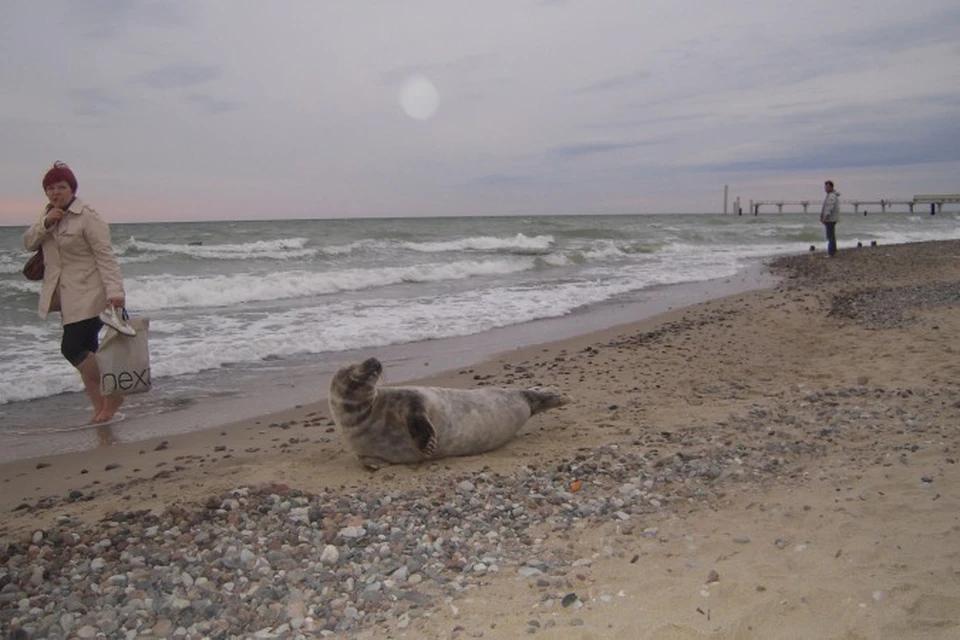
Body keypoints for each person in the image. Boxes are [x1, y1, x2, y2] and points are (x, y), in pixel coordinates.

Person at [22, 161, 129, 424]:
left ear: (72, 188)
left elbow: (106, 256)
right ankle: (101, 411)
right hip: (66, 297)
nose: (56, 192)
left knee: (71, 348)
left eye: (61, 186)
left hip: (92, 293)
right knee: (88, 348)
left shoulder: (88, 217)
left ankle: (115, 391)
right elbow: (28, 243)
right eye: (50, 188)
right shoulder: (48, 217)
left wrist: (116, 292)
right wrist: (46, 222)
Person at [820, 179, 840, 257]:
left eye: (827, 187)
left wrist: (825, 217)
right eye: (825, 187)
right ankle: (833, 251)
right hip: (832, 218)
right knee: (832, 235)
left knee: (830, 236)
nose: (825, 188)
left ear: (831, 187)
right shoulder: (832, 195)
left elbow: (829, 207)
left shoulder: (831, 196)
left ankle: (831, 253)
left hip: (830, 219)